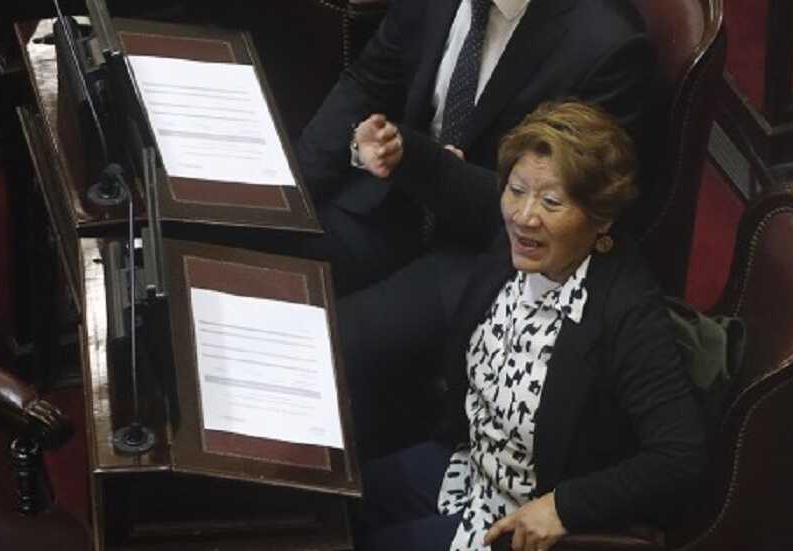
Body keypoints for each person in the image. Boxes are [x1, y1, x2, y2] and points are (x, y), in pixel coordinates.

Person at [355, 101, 706, 551]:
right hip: (470, 466)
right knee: (335, 505)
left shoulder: (627, 312)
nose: (524, 215)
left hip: (521, 518)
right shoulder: (522, 234)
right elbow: (452, 180)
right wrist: (393, 144)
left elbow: (680, 456)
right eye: (516, 190)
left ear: (601, 218)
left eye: (551, 202)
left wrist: (564, 507)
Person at [296, 0, 655, 295]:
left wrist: (431, 167)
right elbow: (367, 85)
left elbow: (565, 209)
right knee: (265, 252)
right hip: (389, 208)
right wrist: (291, 195)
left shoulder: (608, 45)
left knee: (332, 340)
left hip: (487, 255)